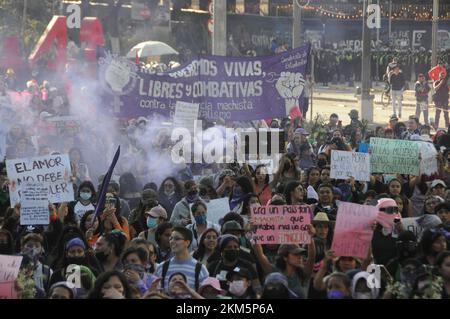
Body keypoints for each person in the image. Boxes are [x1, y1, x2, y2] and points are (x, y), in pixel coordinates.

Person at [155, 226, 209, 292]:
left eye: (177, 239)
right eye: (171, 239)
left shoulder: (201, 269)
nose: (172, 241)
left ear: (187, 242)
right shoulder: (161, 267)